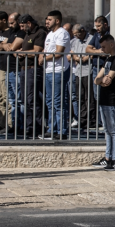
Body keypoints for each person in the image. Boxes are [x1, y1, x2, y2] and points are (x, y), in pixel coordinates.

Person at [92, 34, 115, 171]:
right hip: (103, 98)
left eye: (104, 46)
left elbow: (108, 80)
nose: (102, 49)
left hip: (112, 98)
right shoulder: (107, 59)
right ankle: (107, 158)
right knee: (107, 130)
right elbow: (98, 79)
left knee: (114, 130)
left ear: (111, 44)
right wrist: (101, 80)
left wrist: (102, 80)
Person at [41, 10, 71, 140]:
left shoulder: (62, 33)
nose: (47, 22)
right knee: (49, 101)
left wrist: (44, 58)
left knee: (58, 101)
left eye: (50, 19)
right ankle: (52, 128)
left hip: (59, 70)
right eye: (47, 19)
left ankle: (61, 130)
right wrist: (43, 55)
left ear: (57, 20)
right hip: (48, 70)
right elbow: (47, 50)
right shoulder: (49, 34)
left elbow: (59, 53)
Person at [17, 15, 47, 138]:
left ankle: (38, 126)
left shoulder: (39, 33)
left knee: (32, 100)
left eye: (23, 25)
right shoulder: (27, 34)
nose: (22, 28)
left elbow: (37, 51)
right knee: (25, 100)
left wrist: (22, 53)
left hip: (33, 69)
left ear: (29, 23)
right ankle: (29, 126)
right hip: (24, 69)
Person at [70, 24, 96, 131]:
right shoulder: (75, 41)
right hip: (78, 72)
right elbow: (72, 53)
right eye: (74, 35)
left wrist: (81, 58)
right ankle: (82, 119)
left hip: (88, 71)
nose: (76, 36)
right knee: (79, 96)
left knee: (88, 97)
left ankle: (91, 120)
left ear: (82, 31)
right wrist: (77, 58)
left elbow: (91, 54)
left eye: (77, 34)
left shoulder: (91, 39)